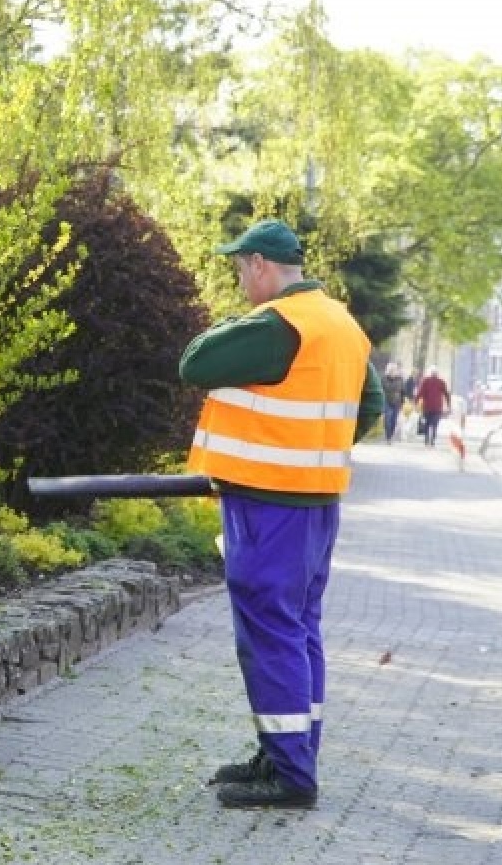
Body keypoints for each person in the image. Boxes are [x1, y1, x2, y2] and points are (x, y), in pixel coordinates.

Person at [179, 219, 383, 809]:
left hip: (268, 506)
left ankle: (291, 775)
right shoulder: (340, 324)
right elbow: (371, 405)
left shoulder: (278, 325)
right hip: (316, 504)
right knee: (297, 632)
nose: (241, 280)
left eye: (240, 269)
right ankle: (287, 750)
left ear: (259, 265)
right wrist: (311, 456)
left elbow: (195, 363)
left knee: (269, 634)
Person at [414, 366, 450, 446]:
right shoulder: (439, 382)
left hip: (429, 407)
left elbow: (420, 393)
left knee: (428, 423)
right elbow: (446, 394)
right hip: (434, 407)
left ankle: (428, 439)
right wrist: (448, 404)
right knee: (434, 424)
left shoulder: (427, 381)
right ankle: (431, 440)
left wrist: (416, 401)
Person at [380, 361, 405, 443]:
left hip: (396, 401)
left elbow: (402, 391)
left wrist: (402, 401)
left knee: (394, 420)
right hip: (386, 400)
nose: (393, 371)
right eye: (391, 370)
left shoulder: (400, 379)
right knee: (388, 419)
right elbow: (383, 388)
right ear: (388, 370)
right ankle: (388, 436)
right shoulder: (384, 378)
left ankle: (390, 435)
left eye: (394, 370)